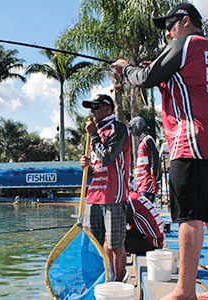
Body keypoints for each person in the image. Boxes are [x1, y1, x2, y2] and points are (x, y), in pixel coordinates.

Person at [111, 3, 208, 300]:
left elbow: (145, 79)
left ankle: (184, 291)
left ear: (185, 21)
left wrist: (126, 68)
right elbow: (181, 82)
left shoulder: (185, 43)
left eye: (169, 26)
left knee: (189, 218)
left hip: (193, 141)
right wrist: (151, 67)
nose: (167, 33)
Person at [80, 94, 131, 282]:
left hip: (113, 194)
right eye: (91, 108)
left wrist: (93, 134)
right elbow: (98, 165)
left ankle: (118, 283)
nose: (92, 111)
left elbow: (108, 157)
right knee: (93, 243)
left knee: (116, 243)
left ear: (108, 108)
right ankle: (99, 280)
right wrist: (87, 165)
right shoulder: (95, 133)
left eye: (96, 107)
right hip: (94, 195)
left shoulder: (119, 129)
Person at [128, 116, 161, 203]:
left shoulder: (148, 139)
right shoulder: (142, 142)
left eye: (133, 128)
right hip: (140, 185)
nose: (132, 131)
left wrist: (157, 179)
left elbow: (155, 159)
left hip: (147, 184)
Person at [125, 190, 164, 255]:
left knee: (112, 238)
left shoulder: (130, 200)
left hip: (150, 243)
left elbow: (120, 224)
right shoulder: (135, 196)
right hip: (155, 240)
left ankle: (111, 264)